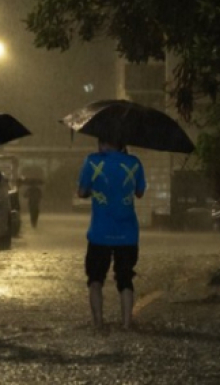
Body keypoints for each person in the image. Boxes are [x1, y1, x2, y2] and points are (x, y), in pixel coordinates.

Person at [77, 136, 146, 330]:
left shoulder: (92, 161)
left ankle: (98, 323)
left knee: (95, 279)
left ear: (104, 143)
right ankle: (126, 324)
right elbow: (140, 193)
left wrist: (95, 189)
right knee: (125, 279)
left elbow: (81, 192)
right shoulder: (134, 162)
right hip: (128, 233)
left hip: (100, 233)